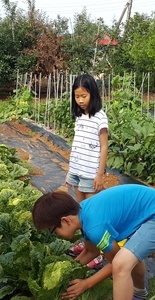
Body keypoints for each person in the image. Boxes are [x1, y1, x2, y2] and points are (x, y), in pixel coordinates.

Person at [65, 74, 109, 268]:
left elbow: (104, 147)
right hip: (77, 171)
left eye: (84, 96)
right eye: (77, 96)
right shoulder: (79, 117)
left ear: (93, 94)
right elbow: (76, 146)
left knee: (94, 216)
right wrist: (70, 172)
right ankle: (87, 246)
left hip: (91, 173)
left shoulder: (100, 117)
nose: (80, 100)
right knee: (82, 214)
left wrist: (99, 174)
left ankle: (99, 252)